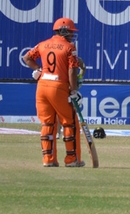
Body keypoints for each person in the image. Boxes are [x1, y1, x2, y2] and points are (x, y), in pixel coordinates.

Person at [23, 18, 84, 168]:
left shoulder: (43, 44)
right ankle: (72, 160)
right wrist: (74, 89)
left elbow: (27, 58)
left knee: (47, 123)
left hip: (42, 86)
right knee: (69, 123)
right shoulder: (70, 47)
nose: (72, 35)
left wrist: (38, 70)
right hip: (59, 87)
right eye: (70, 32)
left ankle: (48, 160)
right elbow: (72, 70)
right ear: (63, 31)